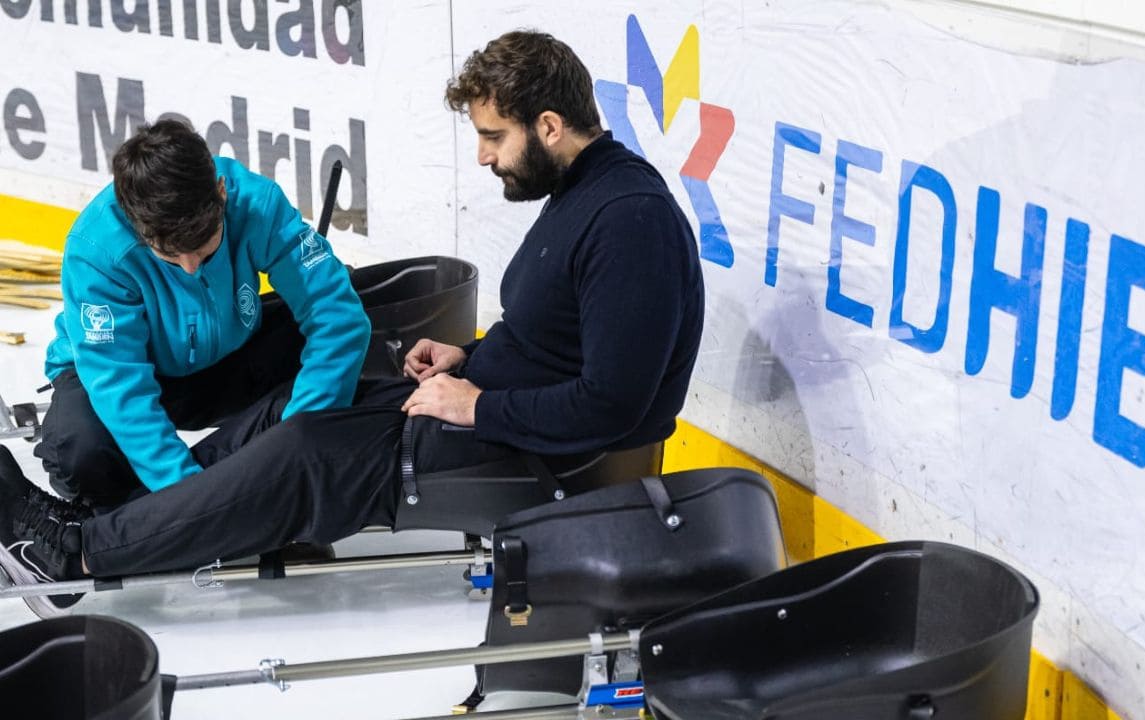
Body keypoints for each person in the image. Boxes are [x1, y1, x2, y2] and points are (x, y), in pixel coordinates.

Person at [0, 30, 705, 590]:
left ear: (549, 126)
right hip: (487, 404)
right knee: (284, 428)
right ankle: (121, 519)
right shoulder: (587, 197)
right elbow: (557, 339)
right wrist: (474, 357)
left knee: (304, 456)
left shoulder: (629, 224)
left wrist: (478, 406)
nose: (486, 158)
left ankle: (75, 552)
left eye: (494, 137)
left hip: (527, 444)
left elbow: (615, 408)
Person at [34, 119, 371, 508]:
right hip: (118, 374)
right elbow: (121, 388)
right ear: (136, 228)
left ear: (222, 193)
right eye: (170, 257)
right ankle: (128, 515)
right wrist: (196, 499)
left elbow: (339, 318)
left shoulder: (256, 204)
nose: (191, 267)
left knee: (343, 343)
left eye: (205, 249)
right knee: (78, 451)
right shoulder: (97, 251)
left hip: (228, 355)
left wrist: (301, 433)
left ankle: (287, 476)